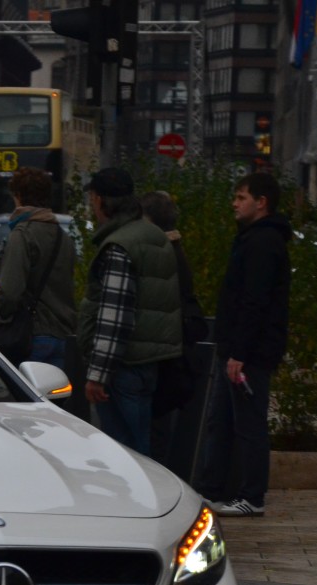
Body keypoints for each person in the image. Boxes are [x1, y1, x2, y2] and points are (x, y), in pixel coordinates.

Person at [194, 172, 292, 518]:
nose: (234, 204)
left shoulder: (264, 242)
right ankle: (211, 491)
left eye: (241, 197)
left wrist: (240, 353)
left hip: (247, 353)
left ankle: (252, 496)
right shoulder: (252, 238)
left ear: (261, 202)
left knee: (248, 425)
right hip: (234, 348)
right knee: (220, 422)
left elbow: (255, 302)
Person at [77, 167, 183, 456]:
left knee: (127, 455)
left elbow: (115, 314)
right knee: (142, 447)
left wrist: (97, 374)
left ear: (99, 201)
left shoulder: (119, 246)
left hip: (122, 367)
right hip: (149, 361)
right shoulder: (154, 235)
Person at [140, 191, 208, 465]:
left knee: (155, 427)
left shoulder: (160, 252)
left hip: (163, 353)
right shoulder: (175, 248)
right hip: (174, 350)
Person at [0, 165, 76, 372]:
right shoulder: (62, 237)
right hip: (62, 336)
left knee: (25, 402)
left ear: (18, 196)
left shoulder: (22, 234)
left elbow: (10, 291)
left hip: (31, 336)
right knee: (52, 402)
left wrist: (0, 315)